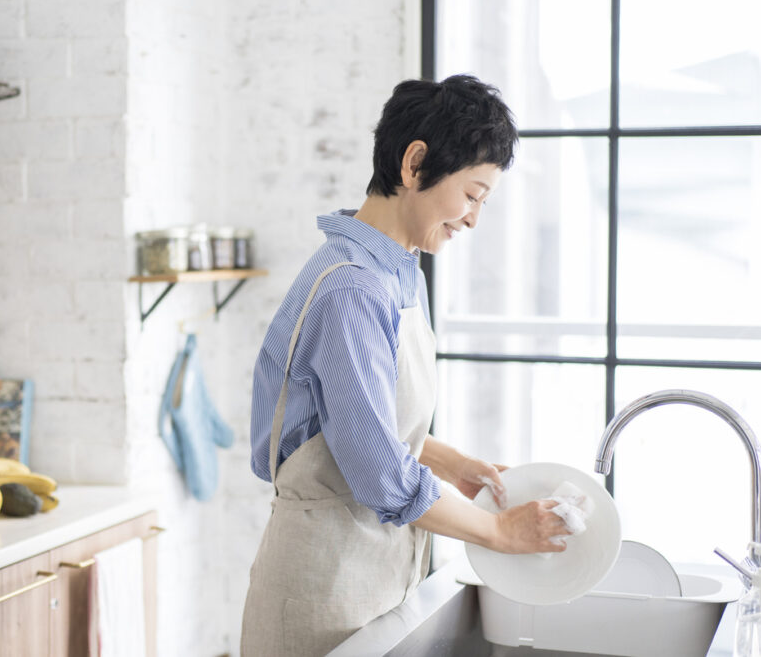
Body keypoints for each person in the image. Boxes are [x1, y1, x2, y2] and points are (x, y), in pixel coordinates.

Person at [240, 75, 572, 657]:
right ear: (415, 164)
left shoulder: (398, 273)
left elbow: (353, 421)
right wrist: (498, 530)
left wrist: (451, 460)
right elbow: (374, 469)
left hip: (370, 580)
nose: (473, 219)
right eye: (471, 195)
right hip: (322, 594)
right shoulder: (353, 289)